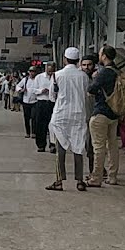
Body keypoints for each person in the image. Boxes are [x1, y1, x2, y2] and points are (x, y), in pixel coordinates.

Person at [46, 47, 90, 192]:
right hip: (78, 115)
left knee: (60, 149)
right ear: (78, 60)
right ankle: (80, 181)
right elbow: (86, 93)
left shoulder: (57, 75)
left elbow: (52, 97)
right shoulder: (84, 76)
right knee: (78, 147)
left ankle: (59, 181)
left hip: (61, 116)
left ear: (65, 59)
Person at [86, 45, 121, 187]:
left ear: (104, 56)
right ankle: (112, 176)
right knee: (113, 145)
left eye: (100, 54)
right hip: (114, 113)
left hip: (101, 112)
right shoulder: (118, 71)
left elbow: (91, 89)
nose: (99, 56)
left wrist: (95, 78)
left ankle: (96, 177)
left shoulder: (104, 72)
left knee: (98, 147)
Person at [31, 62, 56, 152]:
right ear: (45, 68)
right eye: (49, 70)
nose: (50, 72)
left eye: (52, 70)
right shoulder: (39, 77)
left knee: (53, 124)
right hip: (41, 102)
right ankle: (41, 145)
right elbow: (33, 90)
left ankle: (53, 144)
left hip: (52, 103)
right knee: (40, 125)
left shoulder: (57, 76)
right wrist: (41, 90)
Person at [80, 55, 97, 172]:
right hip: (81, 115)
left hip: (95, 115)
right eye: (84, 65)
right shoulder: (78, 78)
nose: (86, 67)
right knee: (86, 144)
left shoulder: (98, 78)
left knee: (93, 145)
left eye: (89, 64)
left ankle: (94, 170)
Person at [17, 65, 39, 138]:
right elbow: (18, 86)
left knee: (34, 117)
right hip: (26, 102)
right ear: (29, 72)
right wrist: (21, 90)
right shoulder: (25, 79)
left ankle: (34, 132)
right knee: (26, 118)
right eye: (31, 72)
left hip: (35, 102)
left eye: (33, 72)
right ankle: (27, 132)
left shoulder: (38, 80)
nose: (32, 73)